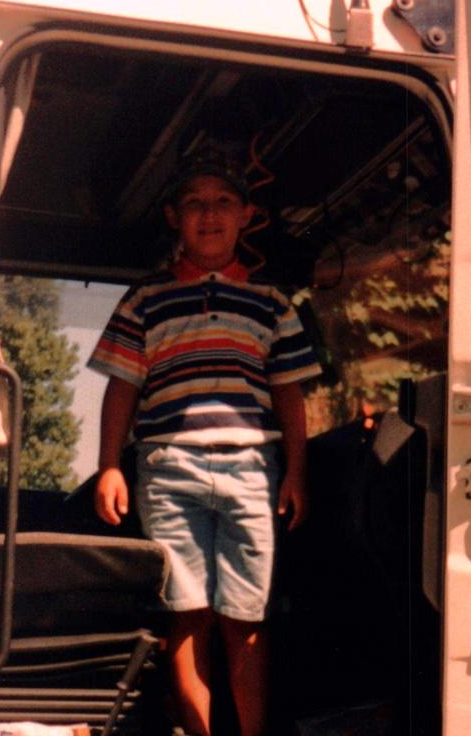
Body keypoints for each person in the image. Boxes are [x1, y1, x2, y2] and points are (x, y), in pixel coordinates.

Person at [87, 151, 320, 736]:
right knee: (186, 614)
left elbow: (290, 396)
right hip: (168, 469)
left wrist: (297, 472)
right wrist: (110, 467)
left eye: (222, 203)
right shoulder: (145, 300)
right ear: (173, 217)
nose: (208, 214)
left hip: (251, 470)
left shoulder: (272, 302)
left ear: (246, 216)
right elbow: (121, 390)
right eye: (194, 203)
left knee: (245, 618)